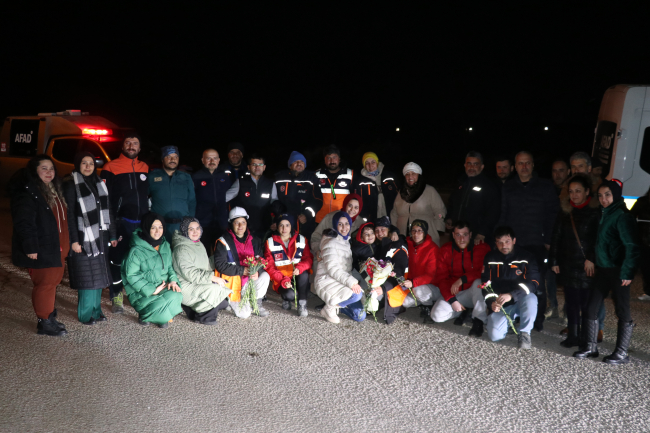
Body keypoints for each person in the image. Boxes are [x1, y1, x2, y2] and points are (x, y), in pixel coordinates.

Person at [574, 180, 640, 364]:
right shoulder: (604, 213)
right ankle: (590, 346)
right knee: (591, 307)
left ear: (616, 195)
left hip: (618, 270)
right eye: (601, 195)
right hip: (603, 270)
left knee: (622, 310)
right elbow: (600, 242)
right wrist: (594, 259)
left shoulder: (621, 215)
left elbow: (632, 246)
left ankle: (621, 352)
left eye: (608, 195)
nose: (603, 199)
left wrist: (627, 272)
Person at [497, 151, 559, 331]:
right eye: (520, 164)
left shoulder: (545, 187)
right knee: (513, 281)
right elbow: (503, 213)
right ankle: (517, 316)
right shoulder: (508, 187)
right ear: (515, 167)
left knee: (536, 284)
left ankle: (538, 319)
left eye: (527, 163)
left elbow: (552, 215)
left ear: (532, 165)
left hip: (536, 244)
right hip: (513, 245)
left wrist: (548, 239)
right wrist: (500, 240)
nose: (524, 167)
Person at [10, 155, 70, 336]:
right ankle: (44, 322)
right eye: (44, 168)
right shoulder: (29, 192)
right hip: (43, 248)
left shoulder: (53, 190)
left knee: (52, 282)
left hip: (57, 247)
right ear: (35, 171)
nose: (49, 172)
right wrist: (31, 247)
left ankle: (49, 315)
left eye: (51, 168)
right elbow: (24, 222)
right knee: (45, 284)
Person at [62, 152, 118, 325]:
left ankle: (96, 310)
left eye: (91, 163)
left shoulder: (99, 182)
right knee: (87, 276)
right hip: (83, 237)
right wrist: (74, 241)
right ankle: (85, 314)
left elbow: (108, 210)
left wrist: (113, 234)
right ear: (78, 164)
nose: (88, 166)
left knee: (99, 276)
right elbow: (70, 214)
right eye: (84, 163)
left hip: (100, 236)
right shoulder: (72, 185)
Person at [548, 174, 600, 347]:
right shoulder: (565, 211)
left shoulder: (595, 211)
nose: (574, 195)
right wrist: (554, 260)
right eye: (571, 191)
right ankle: (573, 335)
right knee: (571, 302)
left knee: (586, 303)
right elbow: (556, 236)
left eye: (578, 191)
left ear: (587, 192)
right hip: (568, 263)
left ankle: (587, 337)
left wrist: (592, 259)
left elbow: (599, 239)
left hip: (588, 266)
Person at [100, 134, 149, 314]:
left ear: (139, 148)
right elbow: (104, 200)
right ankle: (116, 295)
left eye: (135, 143)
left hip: (141, 224)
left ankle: (138, 293)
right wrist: (110, 228)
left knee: (140, 261)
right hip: (121, 222)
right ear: (122, 146)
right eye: (127, 142)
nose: (131, 146)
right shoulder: (110, 167)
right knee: (116, 260)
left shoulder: (145, 167)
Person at [481, 226, 540, 349]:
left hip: (520, 300)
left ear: (514, 240)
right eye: (500, 242)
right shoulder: (490, 258)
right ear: (495, 243)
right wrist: (491, 302)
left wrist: (512, 295)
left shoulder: (527, 257)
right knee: (494, 336)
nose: (504, 246)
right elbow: (486, 285)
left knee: (531, 298)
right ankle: (508, 322)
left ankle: (524, 333)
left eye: (507, 241)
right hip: (502, 304)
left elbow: (534, 282)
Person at [121, 213, 183, 328]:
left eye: (160, 227)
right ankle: (147, 314)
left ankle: (160, 315)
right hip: (142, 291)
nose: (157, 231)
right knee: (161, 305)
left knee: (177, 295)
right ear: (146, 228)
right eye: (153, 227)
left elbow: (169, 267)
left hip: (162, 285)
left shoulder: (165, 245)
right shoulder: (136, 250)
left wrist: (173, 280)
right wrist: (152, 290)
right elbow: (132, 276)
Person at [430, 221, 491, 337]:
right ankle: (461, 310)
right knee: (436, 316)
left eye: (465, 234)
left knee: (479, 283)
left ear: (471, 235)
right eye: (458, 234)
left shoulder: (482, 248)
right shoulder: (446, 250)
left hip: (472, 292)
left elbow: (484, 273)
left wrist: (462, 279)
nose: (461, 238)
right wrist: (452, 301)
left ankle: (478, 321)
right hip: (454, 292)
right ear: (453, 235)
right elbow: (442, 279)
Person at [172, 217, 231, 325]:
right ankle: (202, 317)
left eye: (197, 228)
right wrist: (212, 278)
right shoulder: (181, 249)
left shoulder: (198, 243)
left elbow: (206, 265)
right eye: (191, 229)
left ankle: (192, 308)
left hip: (197, 281)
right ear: (185, 230)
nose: (195, 232)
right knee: (215, 289)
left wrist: (219, 257)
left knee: (224, 301)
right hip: (186, 285)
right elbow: (190, 273)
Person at [213, 207, 271, 318]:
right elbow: (220, 265)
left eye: (243, 222)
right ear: (231, 224)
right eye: (237, 223)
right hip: (232, 283)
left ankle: (256, 303)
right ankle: (229, 300)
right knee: (244, 315)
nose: (240, 226)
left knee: (265, 276)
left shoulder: (254, 240)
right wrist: (242, 270)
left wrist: (257, 271)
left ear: (246, 223)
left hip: (248, 280)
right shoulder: (223, 241)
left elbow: (261, 260)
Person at [383, 220, 439, 324]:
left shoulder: (433, 248)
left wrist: (413, 282)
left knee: (419, 291)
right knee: (404, 302)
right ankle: (422, 302)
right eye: (413, 230)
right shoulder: (408, 243)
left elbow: (431, 275)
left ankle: (428, 306)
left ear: (425, 232)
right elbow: (397, 236)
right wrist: (395, 233)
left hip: (431, 286)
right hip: (412, 284)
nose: (416, 234)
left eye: (420, 231)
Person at [314, 212, 367, 323]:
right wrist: (352, 283)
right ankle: (329, 308)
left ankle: (340, 307)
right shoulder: (331, 242)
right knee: (357, 294)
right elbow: (333, 269)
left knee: (360, 316)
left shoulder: (346, 242)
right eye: (340, 224)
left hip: (341, 281)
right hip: (327, 280)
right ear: (335, 225)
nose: (344, 227)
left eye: (347, 223)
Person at [447, 151, 501, 246]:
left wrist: (482, 232)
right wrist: (449, 218)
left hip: (476, 237)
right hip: (458, 235)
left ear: (482, 166)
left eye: (475, 164)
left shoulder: (488, 186)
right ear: (465, 165)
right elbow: (452, 203)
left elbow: (493, 212)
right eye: (469, 164)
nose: (471, 167)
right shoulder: (460, 183)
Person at [264, 214, 313, 316]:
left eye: (287, 225)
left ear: (292, 227)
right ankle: (286, 298)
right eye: (281, 225)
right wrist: (284, 280)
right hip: (281, 278)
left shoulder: (302, 239)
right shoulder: (270, 242)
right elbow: (270, 267)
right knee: (290, 295)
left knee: (304, 274)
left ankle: (302, 304)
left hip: (297, 276)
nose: (284, 228)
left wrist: (300, 268)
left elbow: (308, 259)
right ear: (277, 227)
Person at [193, 148, 239, 254]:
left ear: (218, 160)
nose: (212, 161)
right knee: (203, 252)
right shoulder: (196, 177)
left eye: (215, 158)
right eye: (208, 158)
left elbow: (231, 195)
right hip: (202, 222)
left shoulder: (224, 176)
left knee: (221, 252)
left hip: (221, 222)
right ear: (203, 160)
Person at [390, 162, 446, 246]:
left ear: (419, 175)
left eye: (413, 173)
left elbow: (440, 210)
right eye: (407, 174)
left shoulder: (429, 191)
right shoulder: (401, 193)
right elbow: (394, 213)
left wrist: (437, 230)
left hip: (426, 235)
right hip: (404, 236)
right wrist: (394, 230)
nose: (410, 177)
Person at [149, 146, 196, 242]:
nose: (172, 160)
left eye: (175, 157)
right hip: (160, 227)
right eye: (169, 157)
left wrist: (190, 222)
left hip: (181, 226)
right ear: (162, 159)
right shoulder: (152, 177)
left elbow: (192, 201)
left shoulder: (186, 177)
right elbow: (143, 198)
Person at [274, 151, 323, 240]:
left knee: (304, 249)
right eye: (296, 161)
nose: (299, 164)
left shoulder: (312, 179)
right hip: (284, 223)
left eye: (302, 162)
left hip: (304, 224)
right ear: (290, 165)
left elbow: (318, 200)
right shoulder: (279, 178)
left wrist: (307, 214)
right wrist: (276, 218)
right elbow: (274, 200)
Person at [311, 193, 365, 266]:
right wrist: (318, 250)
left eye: (356, 207)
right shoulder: (330, 218)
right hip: (326, 256)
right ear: (345, 204)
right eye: (350, 206)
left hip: (349, 260)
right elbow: (315, 237)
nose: (352, 210)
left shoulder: (361, 223)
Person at [233, 154, 277, 238]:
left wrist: (276, 221)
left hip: (265, 227)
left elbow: (276, 205)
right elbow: (224, 198)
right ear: (249, 167)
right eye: (254, 164)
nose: (257, 167)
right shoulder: (240, 182)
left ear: (264, 167)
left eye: (260, 164)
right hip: (244, 228)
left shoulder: (270, 184)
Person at [315, 145, 359, 223]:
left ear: (339, 159)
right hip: (321, 219)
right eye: (328, 158)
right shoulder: (317, 175)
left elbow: (356, 198)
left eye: (334, 157)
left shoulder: (350, 174)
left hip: (342, 219)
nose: (332, 161)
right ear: (325, 160)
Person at [355, 152, 399, 222]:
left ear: (377, 163)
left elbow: (399, 196)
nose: (370, 165)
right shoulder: (361, 182)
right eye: (367, 163)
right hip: (372, 219)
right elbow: (358, 200)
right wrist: (365, 216)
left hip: (390, 217)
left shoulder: (389, 177)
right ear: (364, 165)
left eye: (373, 162)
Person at [630, 187, 650, 301]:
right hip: (643, 240)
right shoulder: (642, 202)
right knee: (645, 267)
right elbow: (631, 215)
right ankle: (648, 291)